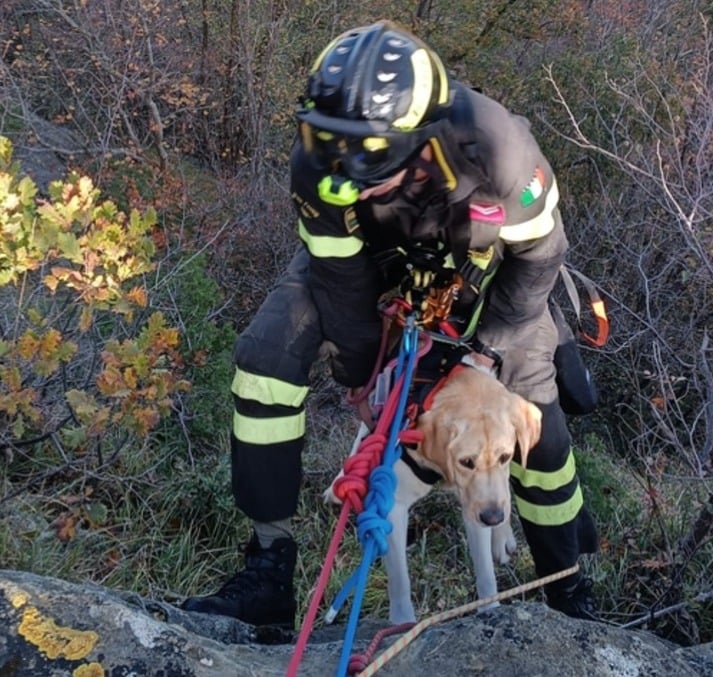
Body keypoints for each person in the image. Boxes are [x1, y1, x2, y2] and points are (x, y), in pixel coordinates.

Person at [181, 19, 602, 628]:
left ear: (422, 140)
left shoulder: (501, 155)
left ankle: (566, 587)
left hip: (487, 282)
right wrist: (363, 378)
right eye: (331, 149)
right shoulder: (321, 166)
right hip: (371, 268)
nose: (345, 175)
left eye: (369, 157)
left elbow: (539, 260)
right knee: (267, 358)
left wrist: (486, 354)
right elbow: (340, 280)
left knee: (537, 411)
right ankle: (268, 567)